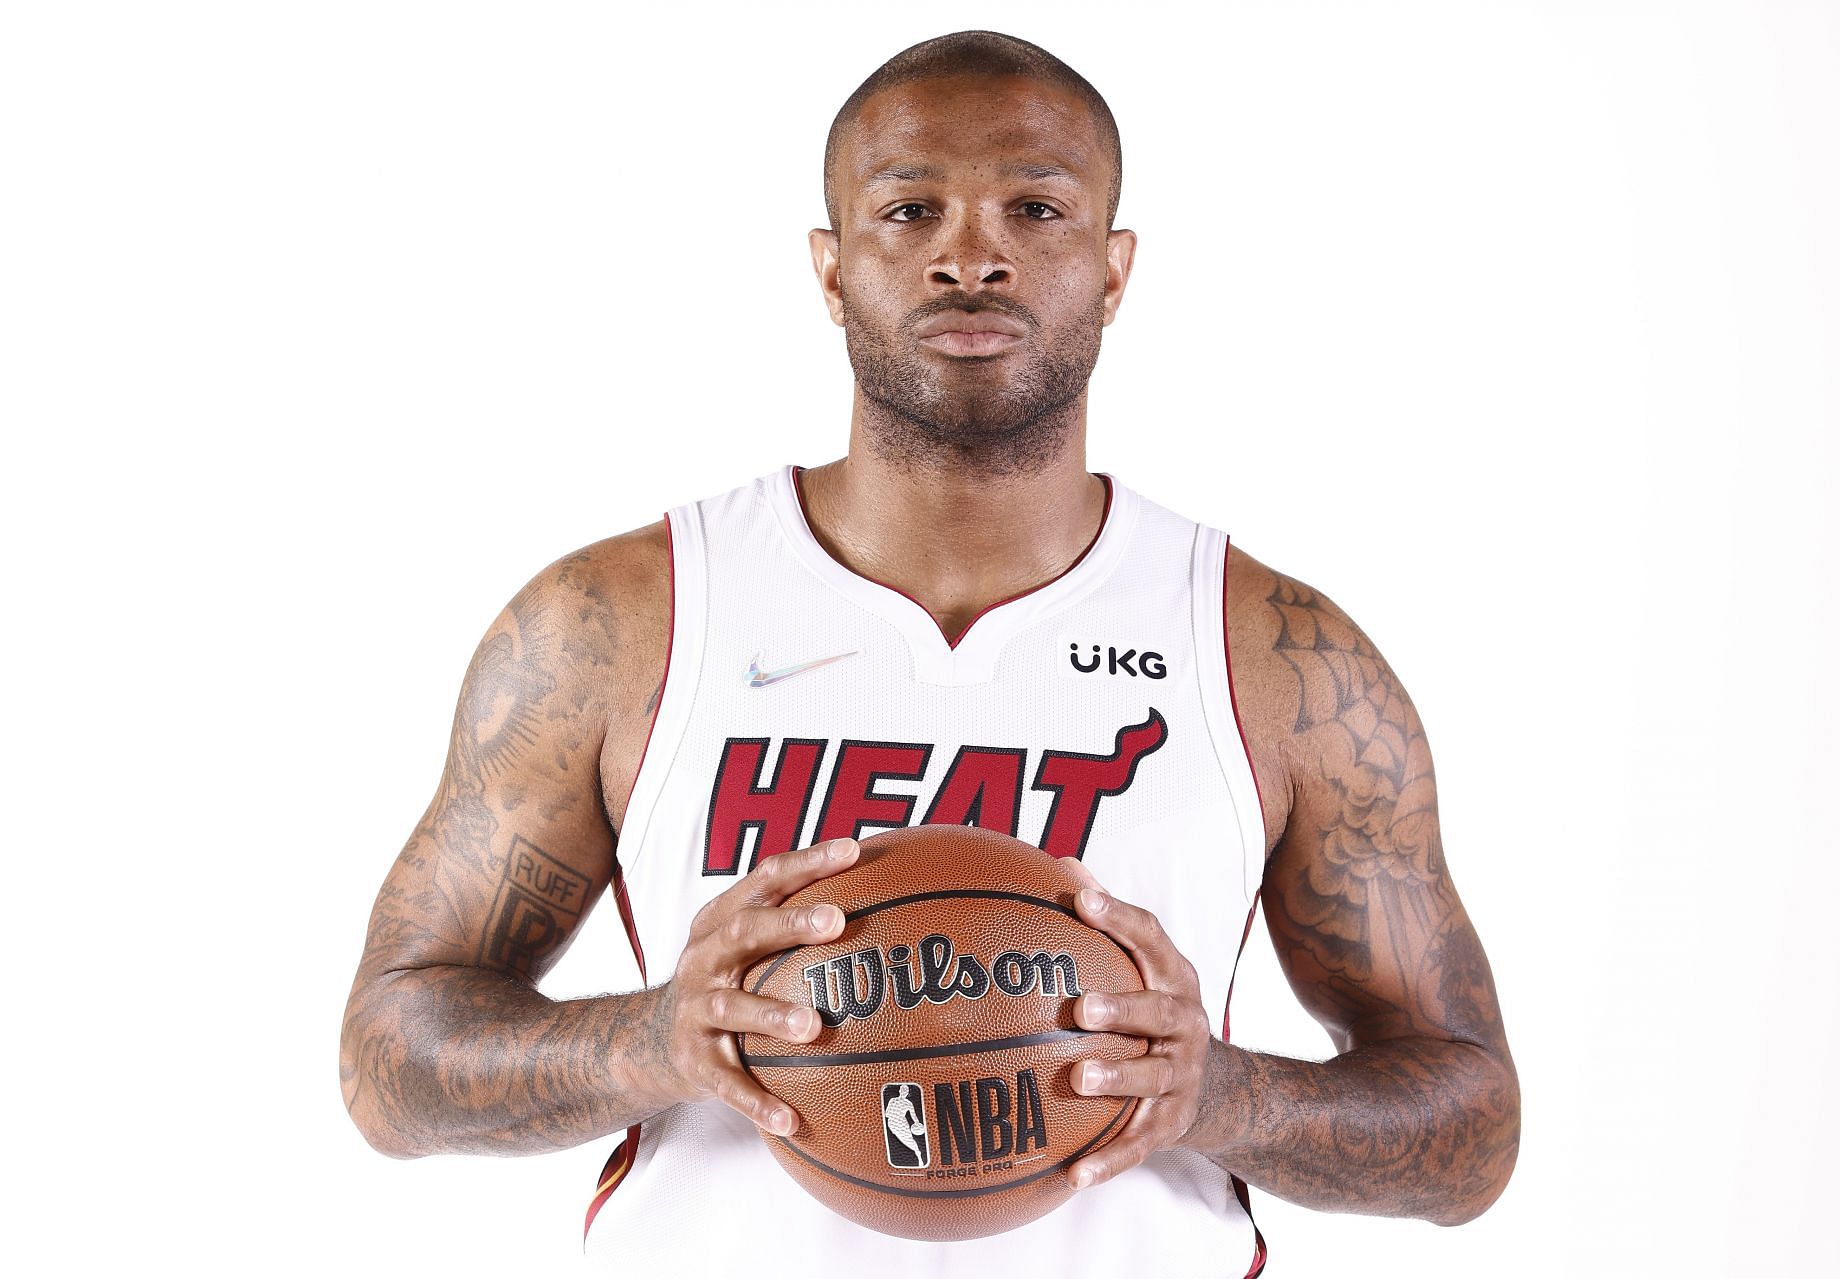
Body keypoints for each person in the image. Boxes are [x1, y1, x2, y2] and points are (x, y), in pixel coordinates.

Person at [338, 29, 1519, 1277]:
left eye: (1036, 207)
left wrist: (1222, 1093)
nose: (973, 254)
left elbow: (1473, 1126)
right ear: (831, 267)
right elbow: (385, 1061)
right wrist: (652, 1040)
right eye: (910, 210)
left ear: (1116, 271)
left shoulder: (1278, 658)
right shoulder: (620, 620)